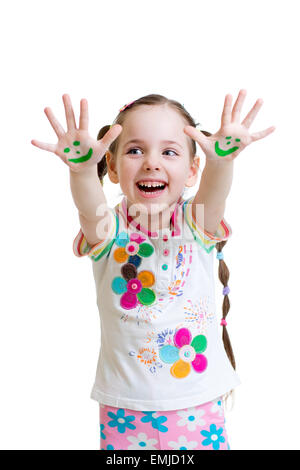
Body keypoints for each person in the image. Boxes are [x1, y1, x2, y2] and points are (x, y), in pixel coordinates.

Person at [31, 91, 274, 450]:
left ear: (192, 170)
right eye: (135, 150)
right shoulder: (109, 230)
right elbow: (89, 208)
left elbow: (214, 195)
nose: (151, 163)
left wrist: (221, 163)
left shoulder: (196, 223)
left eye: (169, 151)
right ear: (112, 167)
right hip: (123, 407)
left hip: (197, 402)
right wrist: (82, 172)